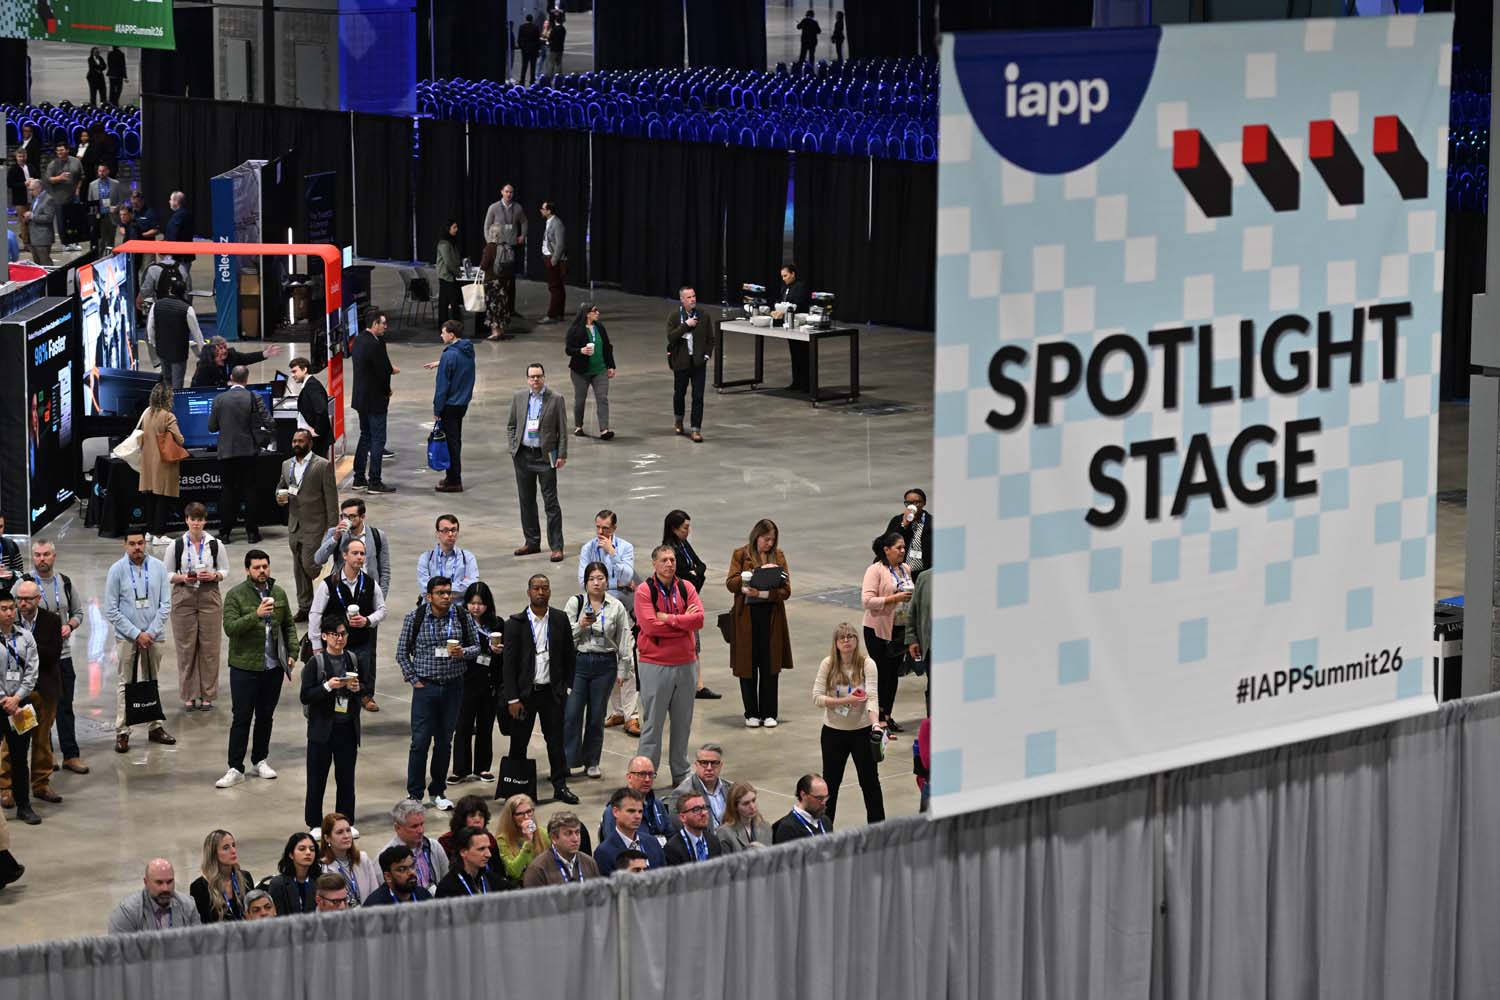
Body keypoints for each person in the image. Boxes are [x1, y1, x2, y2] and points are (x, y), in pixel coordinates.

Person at [396, 576, 479, 810]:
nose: (446, 597)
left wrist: (463, 652)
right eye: (440, 593)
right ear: (428, 596)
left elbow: (476, 647)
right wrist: (414, 680)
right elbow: (402, 653)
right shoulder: (416, 618)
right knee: (419, 741)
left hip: (453, 686)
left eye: (448, 592)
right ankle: (414, 794)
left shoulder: (461, 616)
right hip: (426, 687)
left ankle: (438, 791)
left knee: (444, 741)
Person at [216, 549, 296, 788]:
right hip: (244, 667)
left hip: (273, 668)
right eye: (257, 567)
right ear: (247, 570)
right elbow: (230, 628)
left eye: (265, 566)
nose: (262, 571)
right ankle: (234, 767)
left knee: (265, 717)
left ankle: (260, 759)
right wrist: (256, 614)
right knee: (241, 717)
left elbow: (289, 625)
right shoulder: (235, 595)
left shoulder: (279, 593)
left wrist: (293, 653)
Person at [502, 573, 580, 805]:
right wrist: (512, 698)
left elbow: (569, 655)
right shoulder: (515, 624)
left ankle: (560, 786)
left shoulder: (559, 619)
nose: (541, 592)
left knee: (555, 741)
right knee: (519, 742)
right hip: (525, 695)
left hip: (551, 693)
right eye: (536, 588)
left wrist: (566, 686)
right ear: (528, 592)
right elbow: (508, 665)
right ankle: (514, 790)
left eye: (545, 588)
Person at [634, 545, 705, 787]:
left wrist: (670, 619)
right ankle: (645, 774)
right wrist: (684, 622)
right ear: (654, 564)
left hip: (685, 664)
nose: (669, 564)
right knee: (653, 723)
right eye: (664, 560)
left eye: (672, 559)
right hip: (655, 664)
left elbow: (700, 620)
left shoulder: (686, 587)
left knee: (683, 723)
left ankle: (680, 774)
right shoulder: (644, 591)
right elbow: (651, 626)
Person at [104, 531, 174, 755]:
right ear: (124, 545)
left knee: (152, 681)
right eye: (132, 543)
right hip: (127, 637)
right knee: (126, 684)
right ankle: (123, 730)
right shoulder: (116, 570)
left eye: (140, 543)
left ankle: (155, 727)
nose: (137, 548)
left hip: (155, 636)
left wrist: (150, 632)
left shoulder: (159, 568)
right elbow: (111, 610)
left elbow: (165, 604)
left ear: (145, 544)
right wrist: (136, 634)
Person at [315, 501, 389, 712]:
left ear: (362, 517)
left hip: (367, 598)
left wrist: (378, 600)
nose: (347, 520)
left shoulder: (377, 536)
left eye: (352, 516)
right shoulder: (335, 533)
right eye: (344, 516)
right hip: (342, 597)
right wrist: (336, 538)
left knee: (368, 652)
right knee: (341, 648)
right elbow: (318, 558)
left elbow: (385, 569)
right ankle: (339, 693)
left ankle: (366, 694)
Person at [564, 562, 633, 779]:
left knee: (596, 716)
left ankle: (592, 761)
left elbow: (624, 638)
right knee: (572, 713)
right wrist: (581, 625)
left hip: (605, 664)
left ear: (607, 581)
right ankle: (568, 760)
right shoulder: (576, 603)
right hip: (579, 663)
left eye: (601, 578)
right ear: (585, 582)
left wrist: (624, 669)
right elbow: (563, 636)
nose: (597, 582)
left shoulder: (616, 606)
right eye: (592, 578)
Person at [813, 624, 885, 825]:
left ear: (856, 641)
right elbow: (817, 698)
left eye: (850, 637)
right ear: (835, 643)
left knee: (870, 782)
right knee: (831, 785)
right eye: (842, 638)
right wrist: (846, 700)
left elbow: (872, 697)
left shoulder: (867, 664)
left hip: (861, 732)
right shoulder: (828, 664)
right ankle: (825, 829)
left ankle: (878, 828)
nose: (846, 641)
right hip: (833, 733)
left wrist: (875, 725)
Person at [1, 581, 63, 811]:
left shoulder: (51, 620)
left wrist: (27, 646)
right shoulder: (9, 620)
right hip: (15, 695)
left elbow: (53, 654)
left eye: (28, 599)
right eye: (20, 599)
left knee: (42, 740)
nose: (22, 604)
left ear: (38, 599)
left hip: (44, 690)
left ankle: (41, 784)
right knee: (10, 742)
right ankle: (6, 788)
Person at [27, 540, 87, 776]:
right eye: (38, 555)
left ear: (54, 556)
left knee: (65, 706)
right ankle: (45, 757)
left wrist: (70, 625)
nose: (42, 559)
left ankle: (71, 755)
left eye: (47, 554)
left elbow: (79, 613)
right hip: (35, 660)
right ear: (33, 558)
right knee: (40, 709)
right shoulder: (24, 585)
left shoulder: (65, 583)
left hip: (63, 656)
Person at [726, 518, 793, 728]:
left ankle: (769, 712)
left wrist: (763, 592)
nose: (769, 544)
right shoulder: (741, 554)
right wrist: (749, 578)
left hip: (771, 618)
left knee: (770, 665)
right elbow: (730, 583)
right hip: (746, 618)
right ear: (757, 537)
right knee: (747, 665)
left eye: (772, 540)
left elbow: (786, 590)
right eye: (766, 539)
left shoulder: (778, 556)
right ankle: (751, 713)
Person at [301, 617, 365, 832]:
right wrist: (327, 687)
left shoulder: (353, 659)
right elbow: (305, 696)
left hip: (347, 728)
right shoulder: (315, 663)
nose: (340, 638)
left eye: (343, 634)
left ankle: (345, 821)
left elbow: (364, 686)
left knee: (346, 779)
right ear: (325, 636)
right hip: (322, 732)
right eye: (335, 634)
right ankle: (314, 823)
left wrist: (358, 689)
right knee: (316, 779)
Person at [167, 502, 227, 712]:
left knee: (210, 647)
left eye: (200, 519)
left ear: (205, 521)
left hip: (209, 594)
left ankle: (208, 694)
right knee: (186, 648)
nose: (196, 523)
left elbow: (225, 569)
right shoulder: (175, 545)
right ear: (186, 520)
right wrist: (184, 577)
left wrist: (215, 575)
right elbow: (167, 574)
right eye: (193, 519)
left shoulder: (215, 544)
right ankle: (190, 695)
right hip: (184, 595)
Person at [507, 363, 568, 561]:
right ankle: (532, 542)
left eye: (539, 376)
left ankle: (556, 546)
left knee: (551, 502)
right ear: (527, 379)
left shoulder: (556, 399)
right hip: (523, 455)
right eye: (532, 377)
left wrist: (562, 454)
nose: (535, 380)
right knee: (526, 501)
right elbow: (512, 425)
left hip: (545, 456)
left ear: (544, 377)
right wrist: (513, 446)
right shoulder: (519, 398)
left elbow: (563, 430)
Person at [207, 365, 274, 545]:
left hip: (226, 453)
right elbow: (269, 422)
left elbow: (212, 427)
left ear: (231, 377)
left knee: (228, 491)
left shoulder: (219, 399)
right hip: (249, 452)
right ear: (246, 379)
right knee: (250, 491)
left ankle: (225, 533)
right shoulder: (254, 397)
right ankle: (252, 533)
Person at [278, 427, 339, 621]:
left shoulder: (322, 465)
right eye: (294, 441)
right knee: (298, 567)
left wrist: (333, 528)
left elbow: (331, 498)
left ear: (310, 443)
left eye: (301, 441)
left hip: (315, 524)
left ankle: (329, 597)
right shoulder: (286, 465)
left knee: (309, 564)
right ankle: (305, 606)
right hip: (294, 525)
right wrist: (278, 496)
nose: (297, 444)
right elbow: (281, 487)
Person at [662, 510, 719, 700]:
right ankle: (686, 684)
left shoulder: (683, 544)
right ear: (674, 528)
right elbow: (682, 574)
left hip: (691, 599)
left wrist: (696, 573)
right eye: (685, 528)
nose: (688, 531)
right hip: (678, 603)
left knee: (695, 644)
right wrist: (692, 574)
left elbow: (701, 566)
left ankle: (698, 684)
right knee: (683, 642)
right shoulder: (669, 549)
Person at [862, 531, 914, 733]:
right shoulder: (875, 570)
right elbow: (867, 601)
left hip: (900, 629)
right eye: (898, 548)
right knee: (881, 673)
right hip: (878, 630)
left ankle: (888, 715)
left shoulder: (906, 569)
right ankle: (878, 717)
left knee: (893, 675)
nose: (902, 551)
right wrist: (895, 598)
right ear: (886, 549)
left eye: (903, 547)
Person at [451, 583, 502, 784]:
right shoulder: (460, 623)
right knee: (462, 726)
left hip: (489, 682)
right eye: (472, 603)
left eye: (480, 604)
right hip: (465, 680)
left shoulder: (497, 624)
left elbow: (505, 654)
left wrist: (500, 651)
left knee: (485, 726)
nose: (476, 608)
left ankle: (482, 767)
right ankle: (460, 769)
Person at [0, 592, 40, 825]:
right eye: (3, 608)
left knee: (19, 757)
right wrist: (5, 699)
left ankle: (24, 805)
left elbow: (32, 672)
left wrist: (17, 698)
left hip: (21, 706)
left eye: (11, 608)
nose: (8, 613)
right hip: (2, 704)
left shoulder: (25, 637)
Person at [350, 310, 398, 494]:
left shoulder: (360, 340)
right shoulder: (374, 345)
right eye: (383, 323)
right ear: (374, 324)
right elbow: (382, 372)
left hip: (361, 398)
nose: (386, 326)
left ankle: (359, 478)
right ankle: (375, 481)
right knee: (378, 440)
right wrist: (387, 391)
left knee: (365, 436)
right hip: (375, 399)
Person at [136, 382, 185, 543]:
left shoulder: (146, 413)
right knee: (162, 498)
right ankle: (159, 534)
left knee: (150, 498)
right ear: (168, 398)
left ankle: (150, 532)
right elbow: (180, 439)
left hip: (147, 462)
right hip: (163, 463)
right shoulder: (168, 416)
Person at [429, 321, 475, 492]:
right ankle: (450, 476)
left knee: (450, 444)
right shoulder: (467, 349)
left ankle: (454, 480)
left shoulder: (449, 355)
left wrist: (437, 409)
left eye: (443, 333)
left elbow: (442, 386)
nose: (441, 335)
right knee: (455, 440)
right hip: (462, 403)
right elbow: (459, 364)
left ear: (452, 335)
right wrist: (440, 362)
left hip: (449, 404)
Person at [667, 285, 715, 442]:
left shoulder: (704, 315)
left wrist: (707, 355)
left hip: (698, 363)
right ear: (682, 300)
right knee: (679, 394)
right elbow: (671, 337)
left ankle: (696, 429)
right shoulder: (674, 317)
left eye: (694, 296)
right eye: (689, 297)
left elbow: (710, 339)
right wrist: (686, 325)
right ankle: (679, 420)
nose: (693, 299)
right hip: (681, 362)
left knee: (698, 396)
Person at [564, 303, 616, 438]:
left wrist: (611, 366)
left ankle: (604, 430)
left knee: (602, 398)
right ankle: (578, 426)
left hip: (600, 369)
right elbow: (568, 350)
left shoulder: (600, 328)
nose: (598, 313)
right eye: (595, 311)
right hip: (580, 372)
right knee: (580, 399)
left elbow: (607, 347)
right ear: (587, 313)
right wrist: (580, 350)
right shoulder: (575, 330)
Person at [108, 859, 199, 933]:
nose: (165, 888)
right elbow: (118, 952)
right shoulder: (127, 913)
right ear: (146, 882)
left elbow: (200, 946)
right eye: (159, 882)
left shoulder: (188, 906)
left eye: (169, 882)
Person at [598, 755, 673, 845]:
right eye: (642, 774)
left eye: (651, 774)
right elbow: (613, 846)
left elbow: (671, 836)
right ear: (629, 777)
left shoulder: (658, 805)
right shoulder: (615, 810)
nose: (647, 779)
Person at [146, 277, 205, 389]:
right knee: (177, 382)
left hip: (162, 349)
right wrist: (202, 350)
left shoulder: (156, 305)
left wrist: (153, 342)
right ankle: (176, 403)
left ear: (170, 289)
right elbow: (196, 332)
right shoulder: (187, 309)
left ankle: (167, 402)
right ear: (184, 292)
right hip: (179, 352)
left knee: (166, 379)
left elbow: (150, 327)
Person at [382, 799, 449, 894]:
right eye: (414, 826)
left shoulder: (434, 847)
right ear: (397, 828)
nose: (421, 830)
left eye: (422, 824)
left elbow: (447, 882)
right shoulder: (386, 857)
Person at [594, 788, 667, 874]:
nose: (638, 816)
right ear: (616, 812)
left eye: (640, 812)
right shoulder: (604, 852)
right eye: (631, 811)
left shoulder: (652, 842)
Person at [189, 829, 255, 923]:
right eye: (226, 848)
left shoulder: (245, 877)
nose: (233, 851)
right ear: (213, 854)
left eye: (233, 845)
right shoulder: (200, 887)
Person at [483, 183, 526, 316]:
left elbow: (524, 221)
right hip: (497, 247)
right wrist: (490, 242)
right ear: (502, 192)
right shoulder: (494, 207)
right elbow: (487, 226)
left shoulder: (518, 207)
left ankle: (510, 309)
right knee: (498, 278)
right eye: (506, 192)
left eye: (511, 192)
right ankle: (499, 308)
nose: (509, 194)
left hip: (511, 247)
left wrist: (523, 235)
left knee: (511, 280)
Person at [522, 811, 598, 886]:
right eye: (568, 833)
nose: (575, 839)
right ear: (554, 838)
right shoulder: (537, 870)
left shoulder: (589, 863)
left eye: (577, 832)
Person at [671, 743, 731, 833]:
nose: (709, 768)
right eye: (704, 763)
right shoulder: (683, 793)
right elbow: (680, 830)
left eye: (714, 763)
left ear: (721, 765)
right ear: (696, 765)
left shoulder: (730, 788)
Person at [417, 514, 480, 599]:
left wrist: (438, 590)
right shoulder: (426, 558)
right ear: (437, 533)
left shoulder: (468, 558)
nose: (450, 534)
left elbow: (472, 587)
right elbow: (425, 589)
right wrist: (458, 589)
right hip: (433, 609)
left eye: (453, 530)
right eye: (445, 530)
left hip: (459, 609)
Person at [320, 812, 378, 903]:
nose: (346, 836)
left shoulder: (363, 858)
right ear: (327, 838)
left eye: (348, 830)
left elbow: (375, 893)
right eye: (340, 832)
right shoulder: (323, 867)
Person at [261, 832, 323, 915]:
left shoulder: (321, 882)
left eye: (312, 849)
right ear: (291, 854)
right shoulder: (278, 884)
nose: (308, 852)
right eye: (302, 849)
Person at [773, 264, 812, 392]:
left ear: (793, 274)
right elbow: (782, 302)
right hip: (789, 324)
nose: (784, 278)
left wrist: (784, 311)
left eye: (786, 275)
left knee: (803, 354)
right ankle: (796, 382)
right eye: (782, 276)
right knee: (794, 353)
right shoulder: (785, 287)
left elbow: (798, 304)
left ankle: (806, 384)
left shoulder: (801, 286)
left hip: (799, 324)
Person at [494, 793, 548, 884]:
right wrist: (527, 843)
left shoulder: (542, 833)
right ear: (511, 817)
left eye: (529, 812)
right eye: (520, 814)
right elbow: (514, 872)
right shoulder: (502, 840)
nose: (526, 817)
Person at [191, 335, 281, 389]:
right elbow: (206, 386)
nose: (224, 351)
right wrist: (226, 384)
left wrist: (265, 354)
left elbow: (247, 358)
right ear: (213, 350)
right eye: (220, 349)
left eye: (225, 347)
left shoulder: (232, 355)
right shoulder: (205, 365)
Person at [436, 826, 503, 897]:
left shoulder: (491, 879)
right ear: (463, 852)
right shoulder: (447, 888)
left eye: (488, 848)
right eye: (481, 849)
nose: (488, 854)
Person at [663, 792, 723, 865]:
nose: (703, 813)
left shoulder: (714, 841)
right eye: (696, 809)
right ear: (682, 817)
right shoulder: (672, 848)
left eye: (704, 807)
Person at [436, 794, 501, 863]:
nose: (478, 820)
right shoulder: (446, 841)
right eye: (472, 816)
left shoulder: (490, 839)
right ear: (462, 818)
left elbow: (497, 868)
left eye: (481, 815)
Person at [885, 488, 933, 578]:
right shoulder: (898, 521)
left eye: (917, 502)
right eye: (909, 503)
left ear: (924, 503)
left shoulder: (932, 523)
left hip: (924, 573)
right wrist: (904, 525)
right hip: (902, 572)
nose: (913, 506)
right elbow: (884, 543)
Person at [288, 356, 333, 451]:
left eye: (294, 371)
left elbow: (321, 409)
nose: (292, 375)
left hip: (316, 440)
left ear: (304, 369)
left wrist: (317, 432)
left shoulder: (312, 386)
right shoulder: (308, 385)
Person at [771, 774, 832, 843]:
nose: (823, 803)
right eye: (819, 798)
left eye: (826, 798)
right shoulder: (788, 829)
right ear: (803, 795)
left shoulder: (825, 821)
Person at [364, 844, 432, 905]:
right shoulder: (375, 906)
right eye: (402, 869)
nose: (411, 872)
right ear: (388, 876)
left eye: (412, 866)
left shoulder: (424, 896)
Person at [715, 781, 772, 853]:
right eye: (746, 803)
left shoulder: (765, 827)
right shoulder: (724, 833)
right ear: (735, 807)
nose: (752, 807)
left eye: (753, 800)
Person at [539, 201, 567, 322]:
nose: (541, 210)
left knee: (555, 287)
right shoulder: (549, 221)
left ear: (549, 211)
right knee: (557, 287)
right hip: (548, 257)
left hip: (553, 259)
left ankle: (552, 315)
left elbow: (560, 244)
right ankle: (559, 313)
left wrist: (554, 260)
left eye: (543, 208)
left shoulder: (557, 223)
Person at [479, 238, 512, 341]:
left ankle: (495, 332)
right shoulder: (505, 245)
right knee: (501, 306)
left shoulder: (490, 247)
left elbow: (484, 265)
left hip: (491, 281)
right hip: (503, 280)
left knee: (492, 307)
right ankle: (501, 331)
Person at [86, 162, 118, 254]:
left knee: (111, 241)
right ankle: (99, 260)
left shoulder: (115, 184)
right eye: (99, 171)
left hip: (111, 216)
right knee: (100, 242)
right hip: (99, 217)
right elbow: (90, 202)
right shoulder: (92, 185)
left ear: (108, 171)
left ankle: (110, 259)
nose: (101, 173)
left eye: (103, 171)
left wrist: (116, 208)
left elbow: (121, 201)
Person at [21, 178, 55, 265]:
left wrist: (33, 216)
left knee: (46, 264)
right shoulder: (36, 199)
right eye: (29, 190)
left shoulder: (48, 199)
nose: (30, 192)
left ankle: (53, 279)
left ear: (39, 188)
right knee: (37, 264)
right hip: (34, 238)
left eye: (32, 190)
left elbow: (49, 218)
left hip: (43, 238)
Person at [435, 220, 463, 324]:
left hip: (450, 276)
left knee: (446, 302)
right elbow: (448, 262)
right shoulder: (444, 243)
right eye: (454, 227)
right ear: (448, 229)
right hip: (447, 277)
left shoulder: (451, 242)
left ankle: (447, 324)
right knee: (450, 302)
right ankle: (451, 324)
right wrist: (458, 273)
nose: (456, 229)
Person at [516, 14, 542, 85]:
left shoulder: (522, 27)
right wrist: (538, 49)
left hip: (525, 50)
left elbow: (519, 39)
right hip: (533, 50)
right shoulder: (535, 27)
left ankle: (522, 80)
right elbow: (537, 40)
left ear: (526, 19)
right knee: (533, 66)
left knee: (524, 66)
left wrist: (522, 47)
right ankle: (532, 81)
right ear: (532, 19)